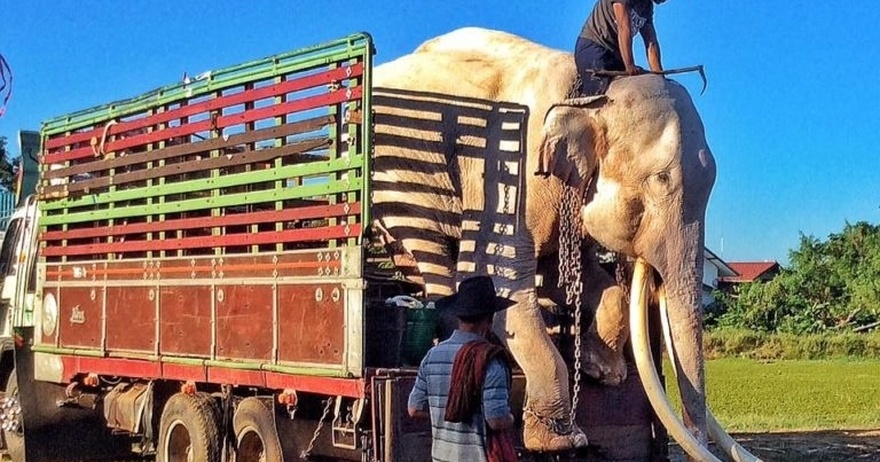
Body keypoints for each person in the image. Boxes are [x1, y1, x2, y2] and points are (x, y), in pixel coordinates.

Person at [408, 275, 518, 462]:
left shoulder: (431, 357)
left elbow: (414, 409)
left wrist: (444, 413)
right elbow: (496, 420)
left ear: (458, 316)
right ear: (489, 320)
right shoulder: (490, 361)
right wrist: (512, 418)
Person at [575, 0, 666, 95]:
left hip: (616, 56)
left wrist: (659, 76)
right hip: (593, 46)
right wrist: (629, 65)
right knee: (599, 89)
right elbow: (624, 27)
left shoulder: (646, 7)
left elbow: (651, 43)